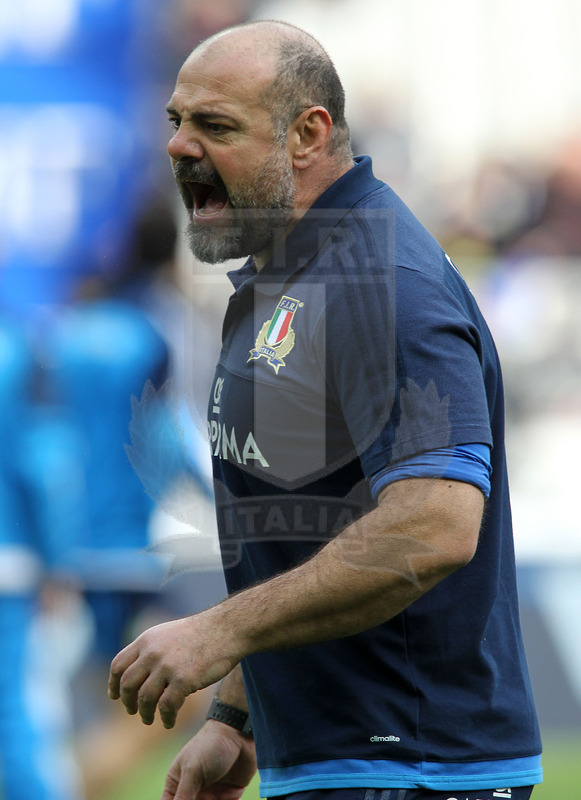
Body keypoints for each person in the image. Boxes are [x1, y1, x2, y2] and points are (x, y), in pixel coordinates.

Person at [108, 20, 542, 800]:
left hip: (415, 768)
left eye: (215, 125)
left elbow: (433, 525)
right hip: (342, 761)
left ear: (307, 134)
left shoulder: (382, 281)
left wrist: (217, 630)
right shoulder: (280, 276)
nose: (178, 146)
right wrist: (236, 716)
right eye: (176, 121)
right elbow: (307, 529)